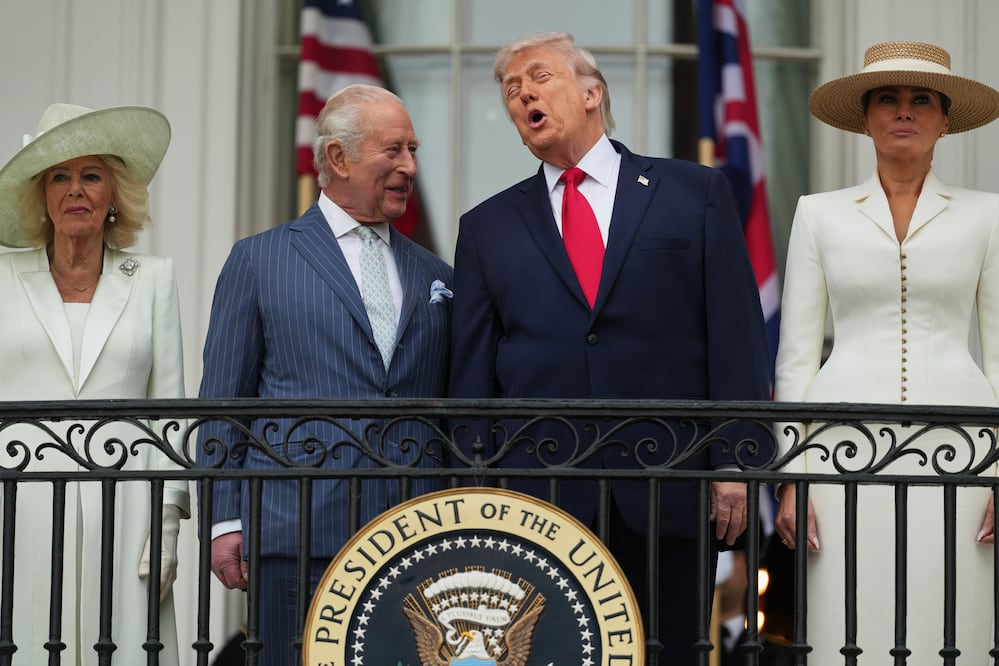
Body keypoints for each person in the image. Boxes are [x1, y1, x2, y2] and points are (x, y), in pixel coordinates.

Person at [448, 32, 771, 662]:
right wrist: (474, 495)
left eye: (540, 77)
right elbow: (471, 377)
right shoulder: (485, 227)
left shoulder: (694, 193)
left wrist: (736, 462)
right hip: (539, 502)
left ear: (592, 92)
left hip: (669, 485)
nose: (524, 94)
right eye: (512, 89)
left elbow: (736, 334)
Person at [198, 84, 453, 666]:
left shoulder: (436, 272)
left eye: (413, 150)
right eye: (394, 150)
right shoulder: (259, 260)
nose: (410, 167)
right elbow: (223, 403)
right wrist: (224, 519)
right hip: (296, 527)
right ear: (338, 157)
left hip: (414, 532)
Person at [773, 41, 999, 663]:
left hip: (965, 448)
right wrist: (793, 476)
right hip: (838, 449)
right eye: (888, 99)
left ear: (944, 119)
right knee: (845, 619)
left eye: (921, 99)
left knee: (954, 619)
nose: (904, 111)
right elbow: (795, 357)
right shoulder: (818, 215)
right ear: (866, 117)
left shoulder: (988, 215)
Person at [0, 103, 187, 663]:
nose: (75, 190)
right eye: (59, 176)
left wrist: (167, 522)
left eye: (91, 175)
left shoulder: (153, 278)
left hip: (126, 507)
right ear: (41, 195)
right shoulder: (2, 278)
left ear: (114, 195)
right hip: (19, 505)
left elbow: (169, 409)